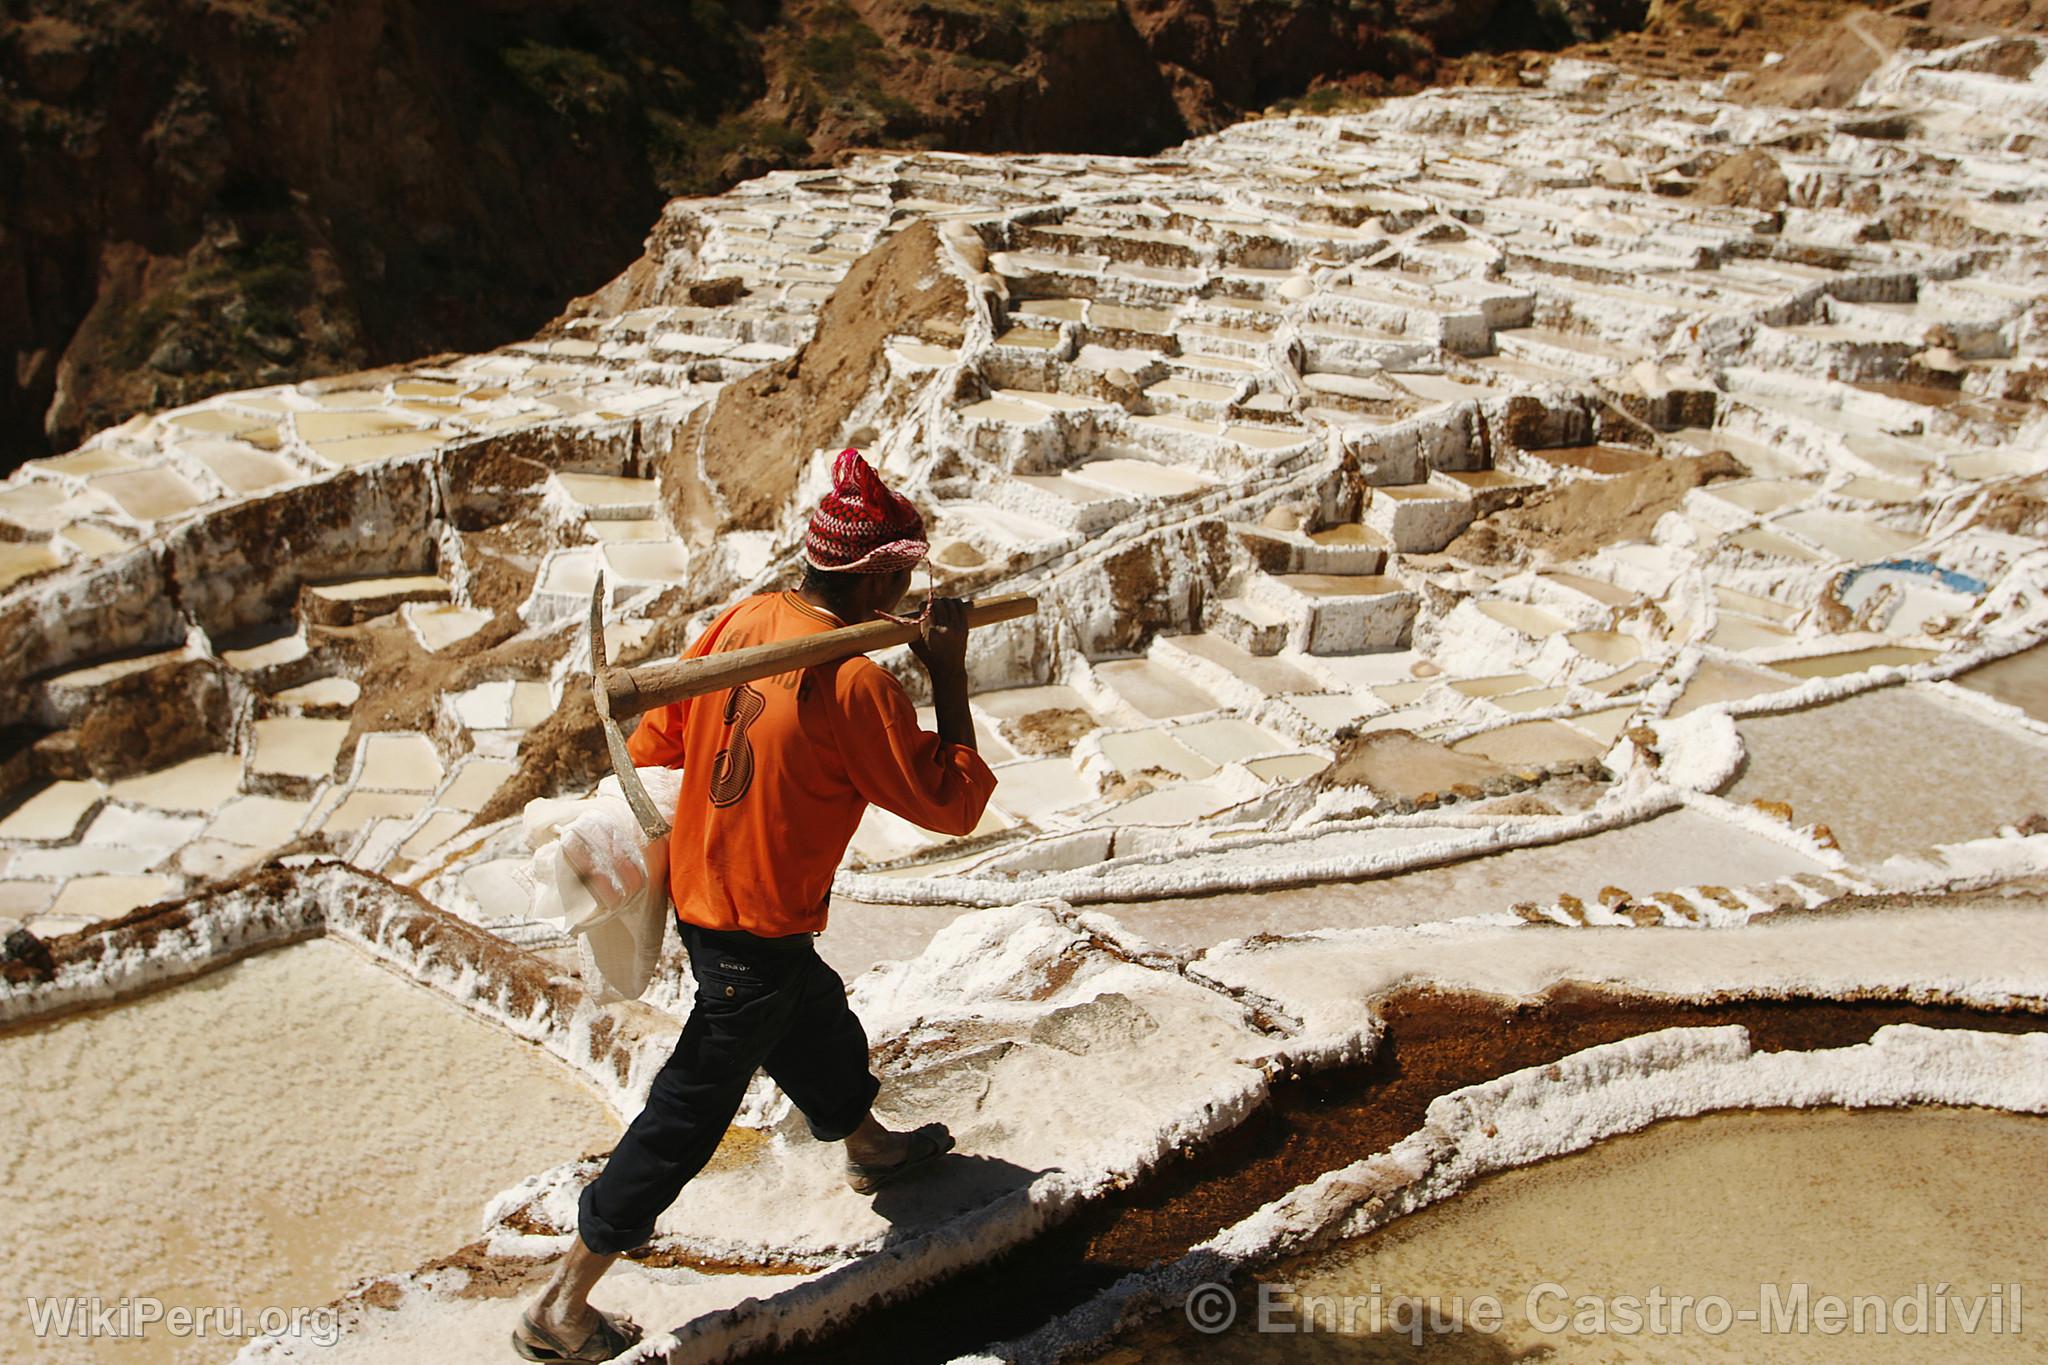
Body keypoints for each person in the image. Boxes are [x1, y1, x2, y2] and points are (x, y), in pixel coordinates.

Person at [514, 448, 996, 1363]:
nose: (910, 593)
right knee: (690, 1107)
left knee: (813, 1010)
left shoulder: (748, 619)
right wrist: (948, 671)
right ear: (877, 579)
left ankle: (868, 1144)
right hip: (753, 925)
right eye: (906, 578)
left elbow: (660, 739)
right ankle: (561, 1303)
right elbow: (954, 800)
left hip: (709, 899)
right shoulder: (855, 684)